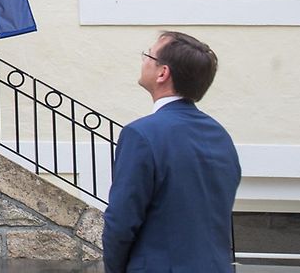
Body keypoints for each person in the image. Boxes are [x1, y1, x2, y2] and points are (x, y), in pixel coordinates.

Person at [102, 31, 241, 273]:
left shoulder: (141, 134)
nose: (142, 60)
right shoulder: (221, 136)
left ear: (162, 73)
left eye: (148, 55)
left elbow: (121, 223)